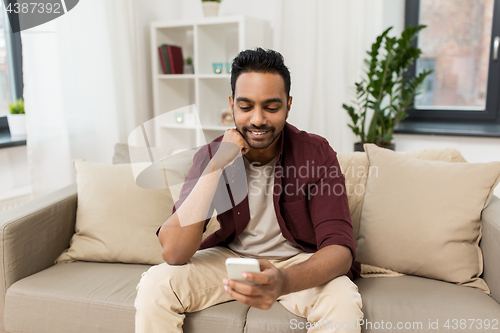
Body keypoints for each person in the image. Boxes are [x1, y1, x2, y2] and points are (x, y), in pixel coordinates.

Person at [134, 47, 363, 333]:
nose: (257, 120)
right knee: (156, 283)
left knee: (343, 301)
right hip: (232, 260)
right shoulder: (211, 155)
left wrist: (284, 279)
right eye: (245, 107)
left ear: (288, 105)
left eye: (271, 107)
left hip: (298, 261)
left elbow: (340, 250)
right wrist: (215, 167)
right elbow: (174, 251)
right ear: (232, 104)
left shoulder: (316, 153)